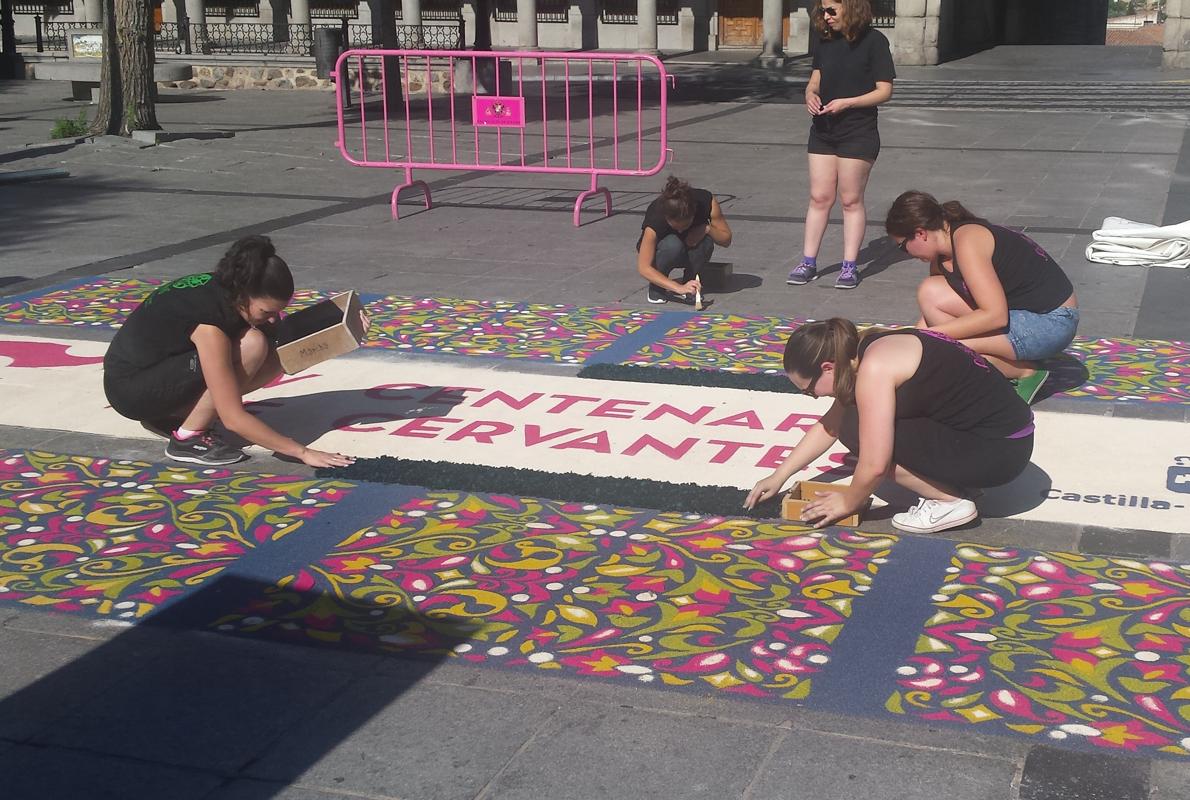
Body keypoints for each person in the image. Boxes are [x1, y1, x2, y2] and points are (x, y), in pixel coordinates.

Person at [744, 318, 1034, 534]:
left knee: (857, 427)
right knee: (853, 419)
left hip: (999, 452)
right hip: (1005, 439)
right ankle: (956, 482)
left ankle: (950, 501)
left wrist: (848, 502)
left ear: (828, 367)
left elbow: (874, 464)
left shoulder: (874, 369)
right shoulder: (865, 348)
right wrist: (779, 475)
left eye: (808, 390)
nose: (814, 396)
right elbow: (828, 426)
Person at [103, 235, 361, 468]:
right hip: (131, 389)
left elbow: (284, 347)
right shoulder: (209, 325)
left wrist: (346, 332)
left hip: (157, 370)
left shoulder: (231, 288)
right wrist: (302, 452)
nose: (273, 319)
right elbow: (232, 417)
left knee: (265, 347)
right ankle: (187, 438)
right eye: (267, 312)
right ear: (244, 295)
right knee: (253, 345)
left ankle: (172, 416)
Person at [885, 190, 1080, 404]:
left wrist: (932, 338)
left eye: (903, 247)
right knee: (931, 294)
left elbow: (996, 316)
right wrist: (914, 340)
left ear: (920, 233)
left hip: (1053, 322)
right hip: (1023, 314)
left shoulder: (968, 241)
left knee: (943, 342)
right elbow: (931, 313)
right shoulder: (942, 256)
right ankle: (981, 365)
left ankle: (1025, 372)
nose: (908, 255)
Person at [788, 0, 895, 291]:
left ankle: (849, 266)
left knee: (850, 200)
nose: (826, 16)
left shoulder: (874, 41)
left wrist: (849, 103)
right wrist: (809, 94)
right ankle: (808, 262)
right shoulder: (825, 42)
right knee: (819, 197)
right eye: (823, 10)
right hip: (823, 129)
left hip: (858, 131)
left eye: (832, 10)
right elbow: (815, 81)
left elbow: (884, 90)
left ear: (851, 8)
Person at [637, 176, 733, 306]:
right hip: (663, 251)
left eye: (686, 226)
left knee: (706, 241)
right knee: (672, 244)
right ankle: (657, 287)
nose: (681, 230)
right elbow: (644, 267)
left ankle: (691, 284)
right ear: (666, 217)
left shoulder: (706, 201)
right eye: (676, 227)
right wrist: (677, 287)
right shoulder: (656, 216)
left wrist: (707, 229)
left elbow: (726, 239)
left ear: (693, 215)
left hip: (691, 247)